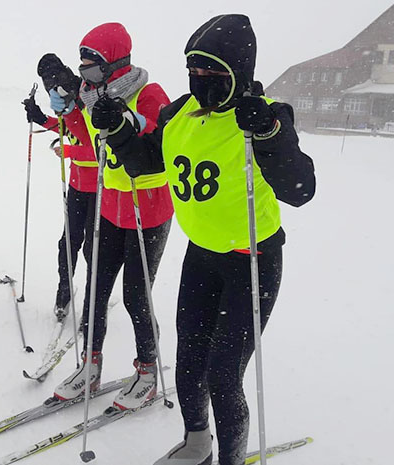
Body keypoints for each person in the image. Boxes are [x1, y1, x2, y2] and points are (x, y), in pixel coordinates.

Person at [89, 14, 316, 465]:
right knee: (189, 361)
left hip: (252, 260)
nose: (201, 80)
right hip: (202, 256)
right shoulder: (178, 115)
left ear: (240, 72)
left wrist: (270, 134)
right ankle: (197, 444)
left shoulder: (264, 115)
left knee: (223, 373)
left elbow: (300, 189)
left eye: (214, 72)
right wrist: (118, 130)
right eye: (194, 70)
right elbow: (143, 164)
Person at [49, 23, 175, 413]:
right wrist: (69, 112)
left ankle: (148, 372)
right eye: (82, 66)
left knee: (136, 296)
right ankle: (90, 364)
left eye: (93, 67)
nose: (86, 74)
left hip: (147, 209)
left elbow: (164, 143)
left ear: (116, 64)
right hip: (109, 207)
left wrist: (131, 123)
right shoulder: (91, 97)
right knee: (96, 290)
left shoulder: (148, 93)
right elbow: (87, 145)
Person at [22, 53, 95, 322]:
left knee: (93, 250)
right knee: (68, 243)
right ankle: (64, 290)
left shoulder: (88, 101)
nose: (52, 86)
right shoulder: (68, 104)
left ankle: (92, 299)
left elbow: (101, 150)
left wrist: (69, 151)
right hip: (77, 186)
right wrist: (41, 118)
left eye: (54, 79)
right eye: (47, 82)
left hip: (102, 188)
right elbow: (68, 129)